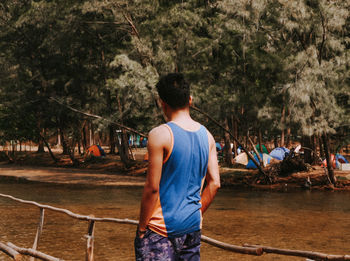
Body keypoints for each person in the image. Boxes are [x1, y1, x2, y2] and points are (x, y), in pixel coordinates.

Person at [135, 73, 220, 260]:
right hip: (192, 227)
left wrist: (142, 228)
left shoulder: (159, 135)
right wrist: (195, 212)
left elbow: (152, 188)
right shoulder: (208, 136)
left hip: (160, 230)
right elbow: (215, 184)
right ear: (190, 100)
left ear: (162, 103)